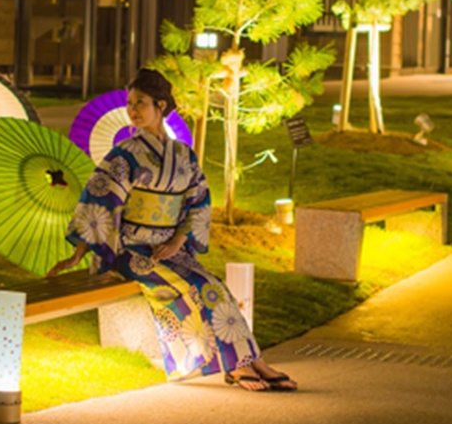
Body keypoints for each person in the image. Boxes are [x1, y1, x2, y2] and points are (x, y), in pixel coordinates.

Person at [48, 68, 297, 392]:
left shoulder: (183, 154)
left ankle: (254, 362)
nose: (133, 110)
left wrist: (179, 239)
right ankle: (237, 366)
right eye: (130, 103)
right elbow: (99, 202)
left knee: (214, 286)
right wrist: (79, 251)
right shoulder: (124, 155)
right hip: (132, 251)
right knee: (193, 286)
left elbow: (198, 200)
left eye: (141, 103)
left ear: (161, 105)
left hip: (169, 246)